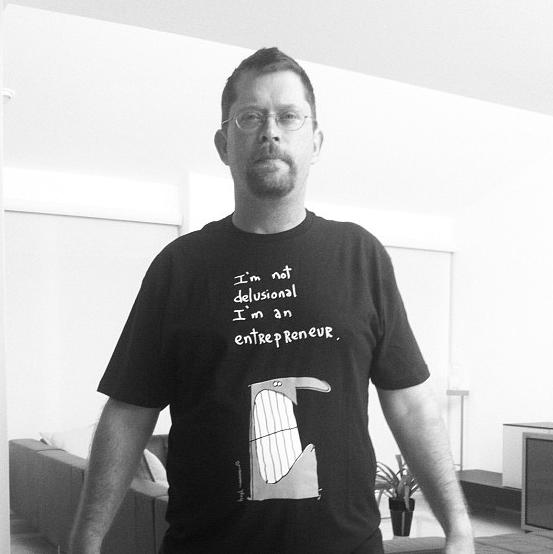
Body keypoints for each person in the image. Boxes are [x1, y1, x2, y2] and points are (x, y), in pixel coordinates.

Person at [69, 47, 474, 553]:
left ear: (315, 141)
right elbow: (129, 412)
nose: (271, 132)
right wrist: (85, 541)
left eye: (289, 116)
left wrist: (459, 528)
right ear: (224, 144)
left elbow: (410, 404)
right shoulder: (180, 267)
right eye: (251, 117)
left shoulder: (359, 256)